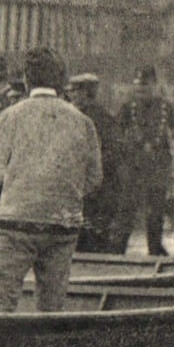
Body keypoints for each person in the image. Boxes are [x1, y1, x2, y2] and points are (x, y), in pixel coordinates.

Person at [0, 46, 102, 313]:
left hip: (15, 223)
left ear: (26, 78)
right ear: (61, 80)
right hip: (63, 225)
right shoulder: (82, 122)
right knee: (51, 308)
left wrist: (17, 190)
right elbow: (94, 178)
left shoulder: (10, 116)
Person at [116, 64, 174, 256]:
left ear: (155, 85)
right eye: (139, 87)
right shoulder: (127, 108)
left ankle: (155, 249)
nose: (142, 91)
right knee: (127, 210)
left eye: (146, 86)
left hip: (158, 168)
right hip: (134, 166)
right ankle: (117, 249)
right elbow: (115, 135)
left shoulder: (166, 108)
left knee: (156, 212)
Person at [66, 73, 129, 254]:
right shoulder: (76, 115)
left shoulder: (99, 118)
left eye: (75, 92)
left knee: (94, 235)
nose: (71, 96)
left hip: (100, 188)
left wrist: (91, 167)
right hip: (84, 187)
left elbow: (116, 151)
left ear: (86, 93)